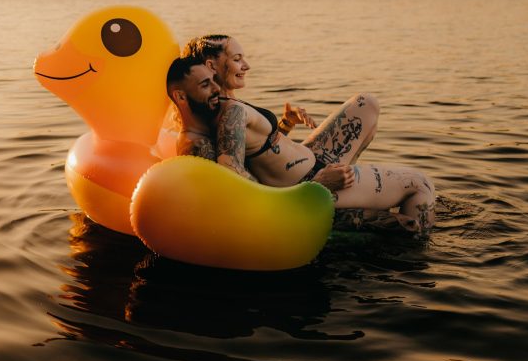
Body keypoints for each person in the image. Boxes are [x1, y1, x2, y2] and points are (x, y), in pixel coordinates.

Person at [166, 50, 435, 235]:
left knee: (367, 104)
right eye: (205, 85)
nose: (216, 89)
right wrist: (318, 186)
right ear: (180, 97)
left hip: (309, 181)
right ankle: (420, 272)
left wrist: (284, 127)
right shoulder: (198, 146)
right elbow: (248, 199)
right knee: (420, 185)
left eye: (214, 81)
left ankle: (360, 196)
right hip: (307, 193)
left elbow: (255, 162)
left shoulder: (210, 123)